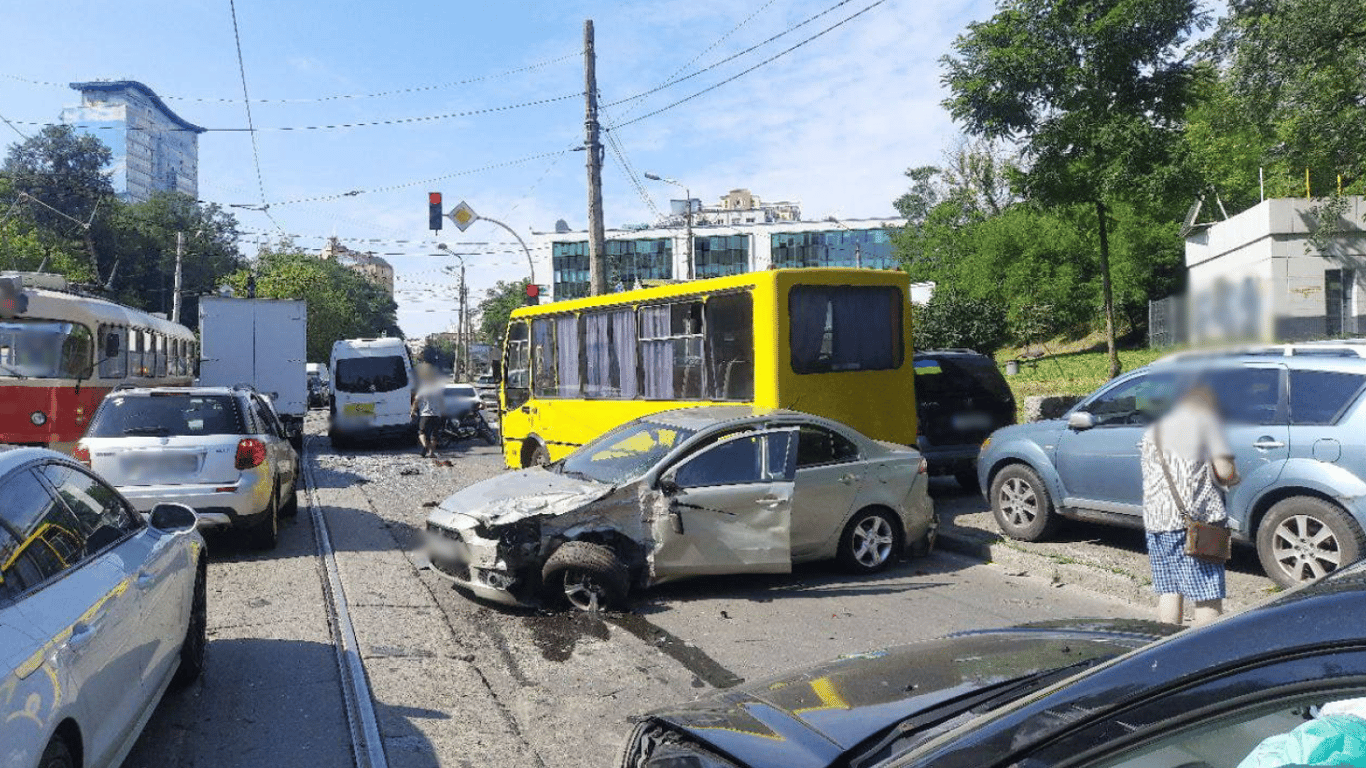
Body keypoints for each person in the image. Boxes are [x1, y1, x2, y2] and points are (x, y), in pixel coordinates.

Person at [1139, 384, 1239, 626]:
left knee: (1170, 589)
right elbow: (1226, 473)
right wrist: (1234, 474)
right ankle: (1205, 654)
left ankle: (1166, 644)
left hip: (1156, 522)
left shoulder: (1154, 430)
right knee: (1207, 595)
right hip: (1195, 524)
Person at [411, 378, 444, 459]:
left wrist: (413, 411)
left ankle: (425, 446)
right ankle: (432, 453)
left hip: (425, 414)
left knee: (421, 432)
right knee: (434, 435)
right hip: (437, 415)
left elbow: (416, 401)